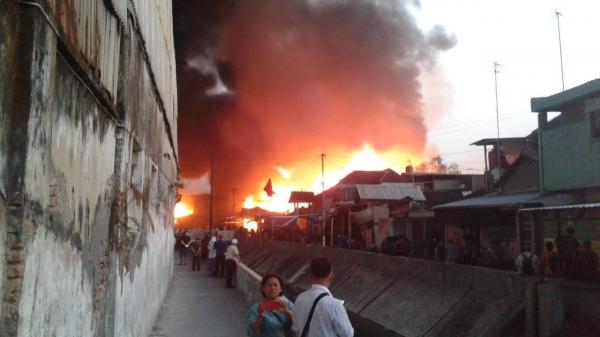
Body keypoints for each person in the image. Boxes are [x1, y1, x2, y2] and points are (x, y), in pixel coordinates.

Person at [292, 257, 354, 337]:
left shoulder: (300, 299)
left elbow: (296, 329)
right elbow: (347, 334)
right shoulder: (335, 305)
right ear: (332, 277)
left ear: (311, 276)